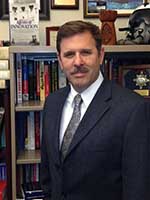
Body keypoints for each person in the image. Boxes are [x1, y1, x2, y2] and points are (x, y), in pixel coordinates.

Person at [40, 20, 150, 200]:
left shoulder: (133, 109)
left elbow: (138, 189)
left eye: (85, 52)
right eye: (69, 54)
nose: (78, 62)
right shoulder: (52, 103)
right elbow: (48, 175)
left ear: (101, 55)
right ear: (60, 60)